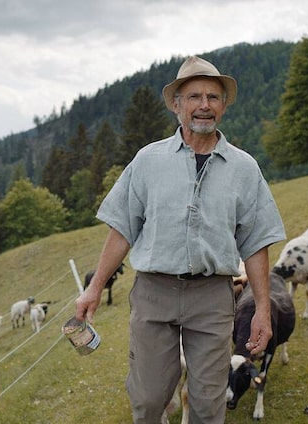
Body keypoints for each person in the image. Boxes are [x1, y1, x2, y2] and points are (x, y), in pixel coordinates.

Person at [74, 55, 286, 423]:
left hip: (212, 297)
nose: (204, 105)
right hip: (154, 293)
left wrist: (263, 310)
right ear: (177, 105)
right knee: (149, 399)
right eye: (194, 97)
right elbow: (122, 228)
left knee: (208, 403)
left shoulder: (244, 168)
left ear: (223, 106)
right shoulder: (148, 161)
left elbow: (255, 243)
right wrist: (94, 288)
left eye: (213, 97)